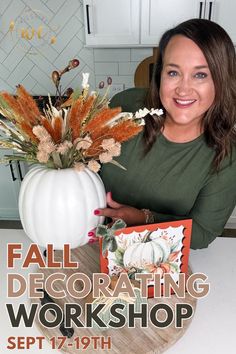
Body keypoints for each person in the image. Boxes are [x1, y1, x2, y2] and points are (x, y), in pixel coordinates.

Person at [94, 18, 236, 249]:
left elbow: (201, 234)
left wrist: (143, 219)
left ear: (220, 81)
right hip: (89, 239)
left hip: (158, 255)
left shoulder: (227, 156)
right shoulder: (125, 106)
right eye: (173, 72)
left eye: (200, 75)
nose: (183, 89)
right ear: (160, 75)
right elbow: (83, 163)